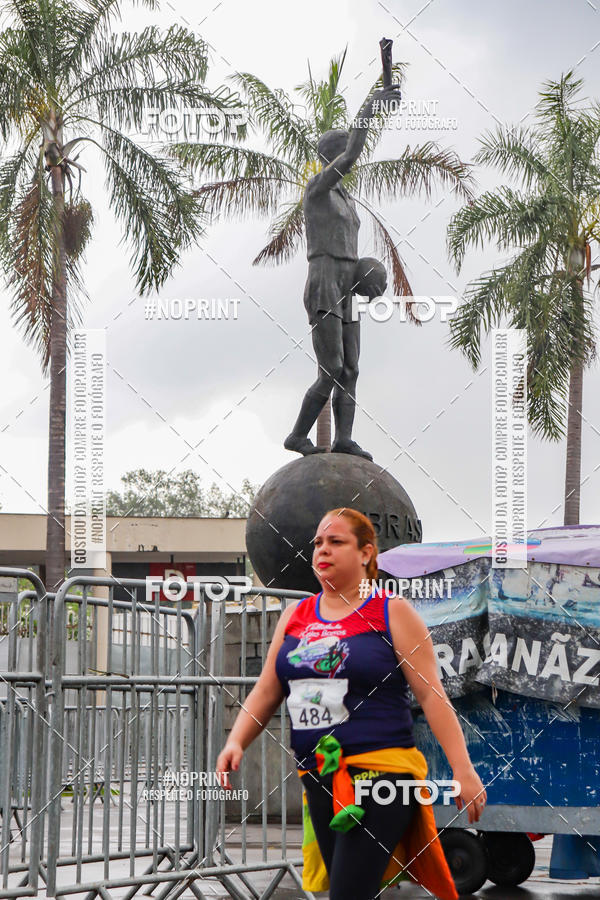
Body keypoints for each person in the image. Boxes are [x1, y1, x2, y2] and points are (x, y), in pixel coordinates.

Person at [216, 508, 487, 900]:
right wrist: (235, 742)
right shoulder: (296, 617)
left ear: (365, 553)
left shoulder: (391, 612)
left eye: (336, 542)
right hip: (319, 776)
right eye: (318, 543)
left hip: (381, 777)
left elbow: (431, 694)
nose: (322, 550)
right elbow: (266, 690)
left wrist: (463, 769)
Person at [284, 85, 400, 462]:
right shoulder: (317, 188)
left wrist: (369, 273)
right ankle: (297, 435)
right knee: (331, 368)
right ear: (332, 154)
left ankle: (344, 438)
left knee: (351, 368)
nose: (351, 154)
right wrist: (372, 105)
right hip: (324, 279)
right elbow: (353, 154)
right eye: (344, 149)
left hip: (348, 284)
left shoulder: (347, 201)